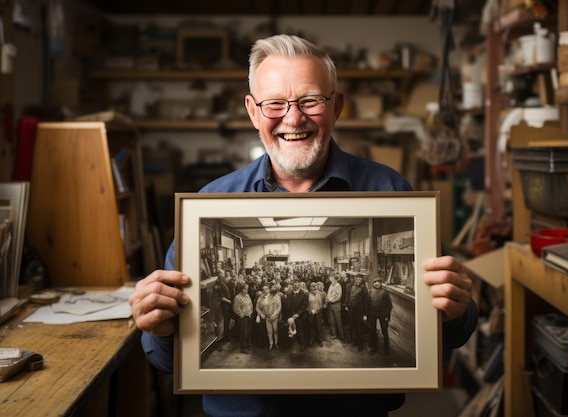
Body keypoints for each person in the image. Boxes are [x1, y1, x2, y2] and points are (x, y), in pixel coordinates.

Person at [129, 33, 477, 417]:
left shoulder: (388, 188)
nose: (293, 118)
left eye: (310, 100)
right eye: (275, 103)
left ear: (336, 106)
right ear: (253, 111)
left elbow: (449, 334)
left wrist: (457, 309)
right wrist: (159, 326)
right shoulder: (209, 201)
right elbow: (164, 360)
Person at [367, 276, 393, 355]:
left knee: (384, 331)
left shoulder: (385, 292)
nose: (377, 283)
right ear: (373, 284)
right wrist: (367, 314)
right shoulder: (370, 291)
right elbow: (368, 303)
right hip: (372, 313)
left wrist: (387, 316)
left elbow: (389, 306)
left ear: (380, 284)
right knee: (373, 331)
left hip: (383, 314)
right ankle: (374, 347)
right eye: (375, 282)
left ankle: (386, 350)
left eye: (378, 282)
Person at [232, 281, 253, 354]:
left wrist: (251, 312)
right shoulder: (237, 297)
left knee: (249, 332)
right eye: (245, 289)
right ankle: (243, 348)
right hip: (243, 318)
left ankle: (248, 345)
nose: (246, 291)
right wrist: (241, 314)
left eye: (247, 289)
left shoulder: (247, 295)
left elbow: (250, 304)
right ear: (242, 289)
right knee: (244, 333)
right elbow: (235, 308)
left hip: (249, 316)